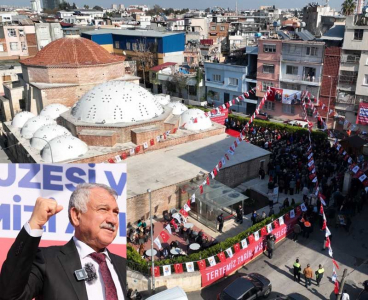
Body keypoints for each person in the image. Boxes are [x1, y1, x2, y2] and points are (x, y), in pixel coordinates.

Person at [0, 183, 127, 299]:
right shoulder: (47, 261)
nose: (113, 220)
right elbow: (9, 295)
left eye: (115, 213)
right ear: (76, 215)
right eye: (103, 209)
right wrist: (35, 224)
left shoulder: (123, 265)